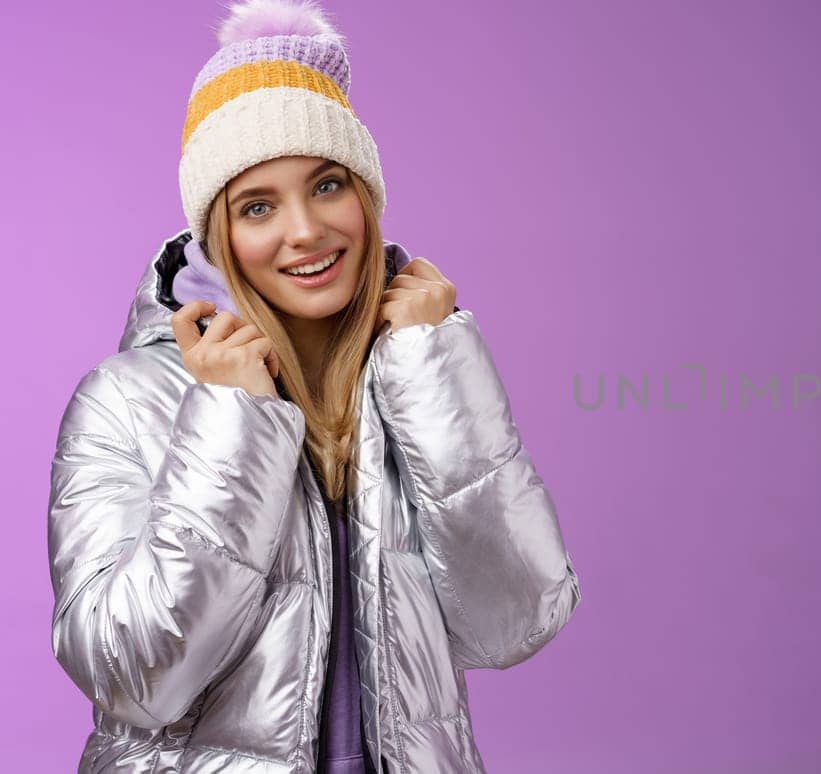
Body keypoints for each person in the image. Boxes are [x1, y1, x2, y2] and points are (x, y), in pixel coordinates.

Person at [45, 1, 582, 771]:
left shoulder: (416, 371)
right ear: (216, 236)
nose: (304, 230)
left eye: (328, 186)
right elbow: (133, 679)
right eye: (257, 206)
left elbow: (515, 623)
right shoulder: (126, 400)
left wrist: (436, 370)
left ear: (366, 197)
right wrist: (233, 418)